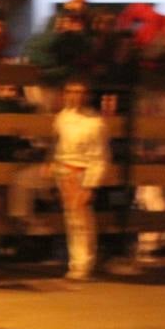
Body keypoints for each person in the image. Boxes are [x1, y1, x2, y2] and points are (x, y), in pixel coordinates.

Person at [48, 80, 110, 281]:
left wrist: (90, 184)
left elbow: (99, 156)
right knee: (72, 217)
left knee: (80, 219)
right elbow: (56, 144)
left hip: (81, 171)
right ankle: (77, 262)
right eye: (71, 91)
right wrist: (51, 163)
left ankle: (81, 264)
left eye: (80, 92)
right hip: (62, 170)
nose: (75, 96)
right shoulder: (62, 118)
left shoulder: (94, 122)